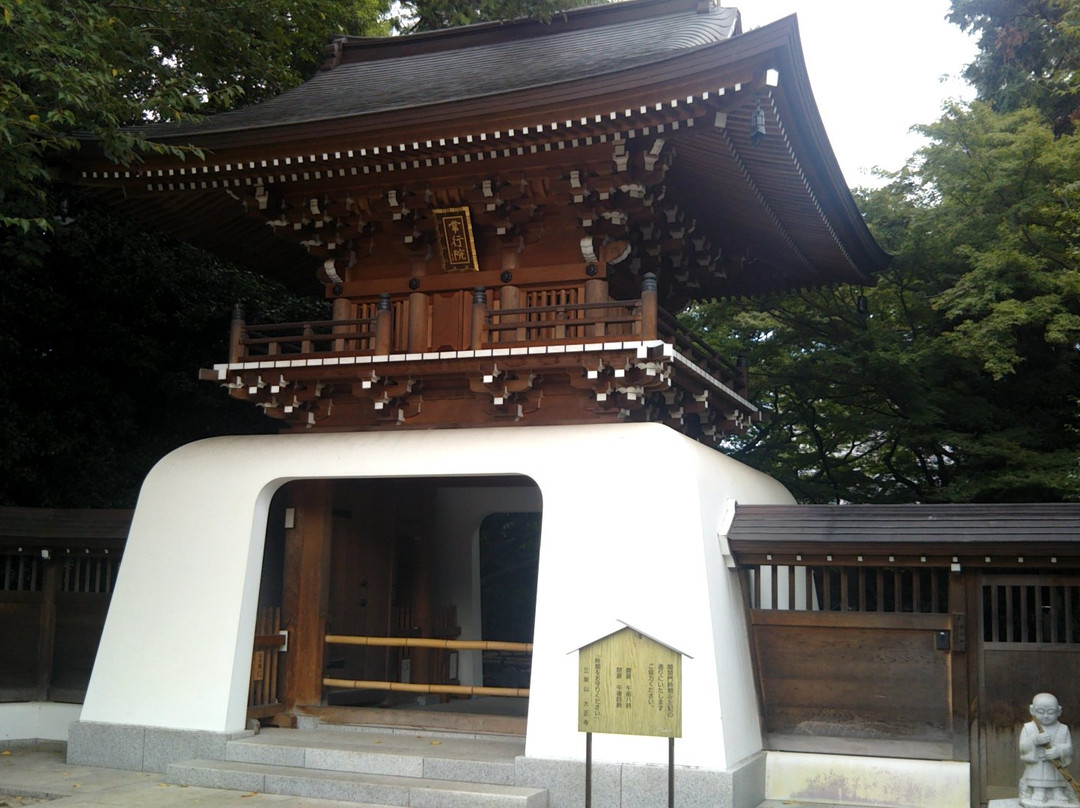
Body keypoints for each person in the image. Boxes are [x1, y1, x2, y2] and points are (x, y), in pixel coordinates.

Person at [1020, 692, 1077, 807]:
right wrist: (1034, 740)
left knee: (1057, 777)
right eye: (1041, 712)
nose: (1046, 716)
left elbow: (1068, 748)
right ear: (1032, 710)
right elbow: (1022, 747)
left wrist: (1059, 751)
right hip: (1038, 764)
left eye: (1050, 712)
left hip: (1056, 765)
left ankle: (1057, 792)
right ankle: (1039, 791)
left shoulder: (1063, 729)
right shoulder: (1029, 728)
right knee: (1037, 776)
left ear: (1059, 711)